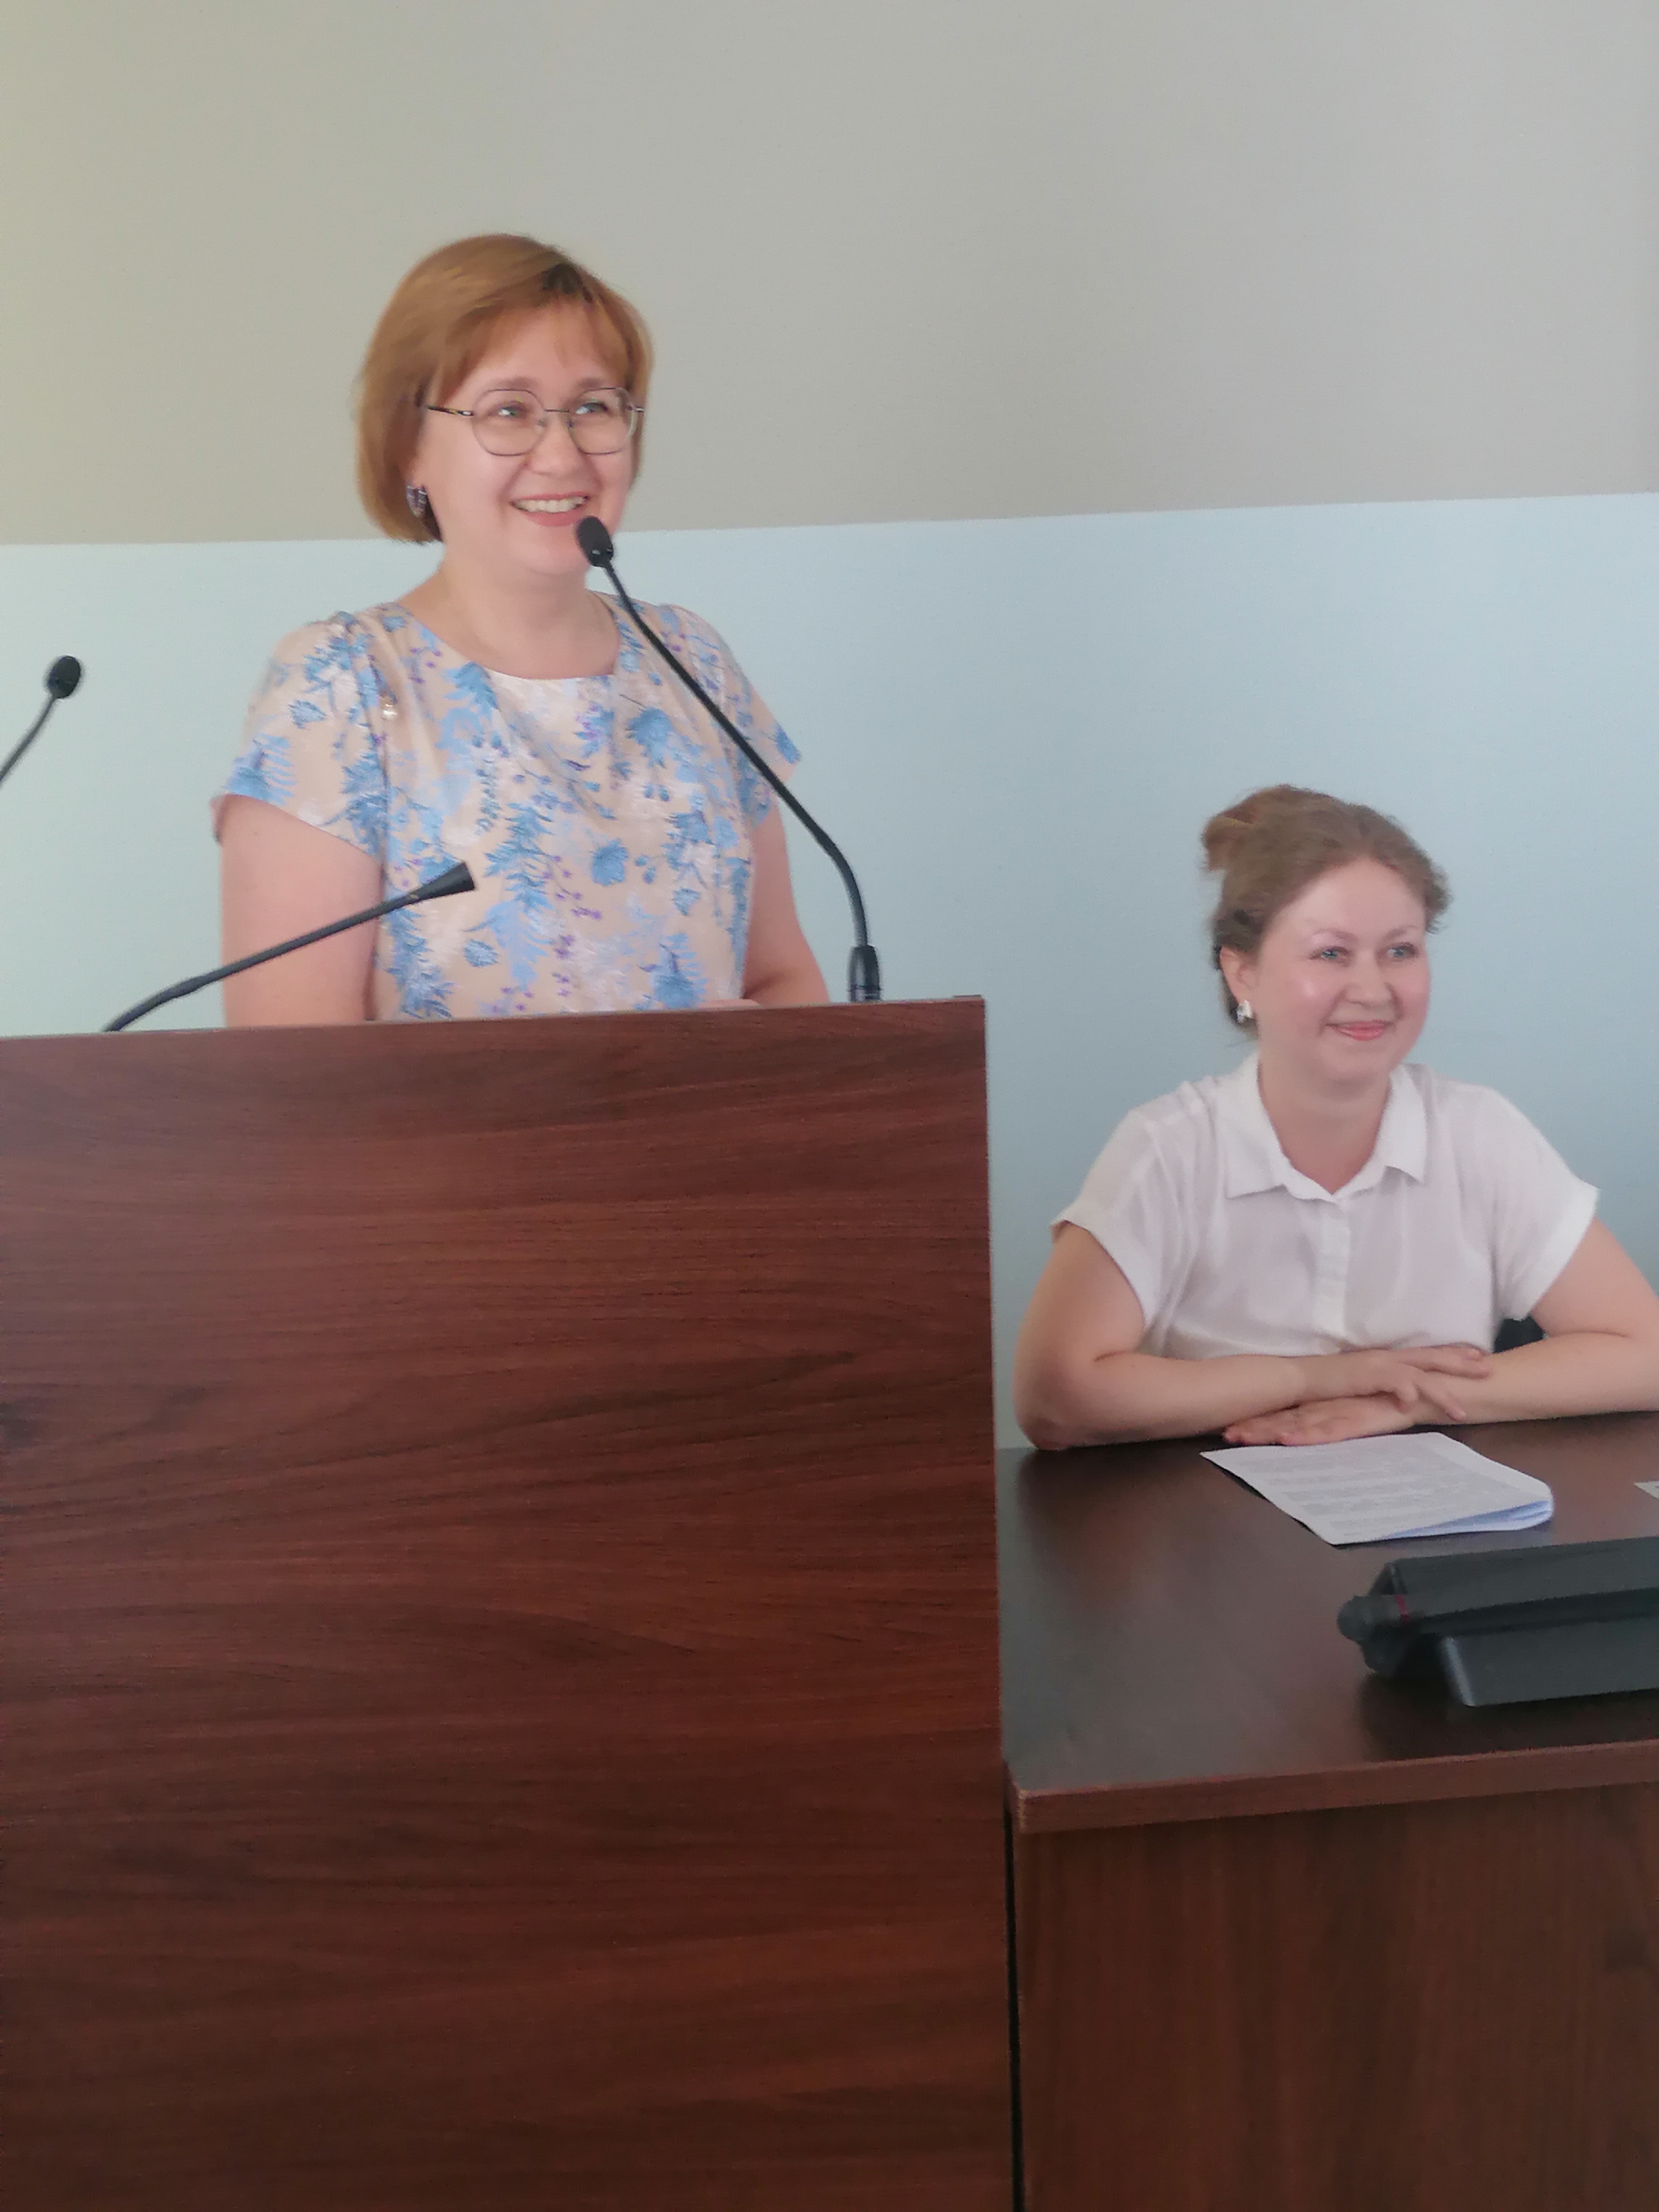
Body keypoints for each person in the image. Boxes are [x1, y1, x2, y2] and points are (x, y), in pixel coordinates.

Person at [216, 234, 826, 1022]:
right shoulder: (338, 688)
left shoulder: (694, 662)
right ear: (409, 449)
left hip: (714, 1115)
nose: (562, 454)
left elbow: (783, 978)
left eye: (594, 407)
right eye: (509, 411)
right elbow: (292, 1067)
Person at [1014, 785, 1659, 1448]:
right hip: (1204, 1504)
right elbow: (1054, 1398)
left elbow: (1646, 1356)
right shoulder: (1168, 1149)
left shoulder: (1479, 1133)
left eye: (1400, 950)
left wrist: (1406, 1399)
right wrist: (1315, 1379)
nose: (1373, 989)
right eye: (1331, 953)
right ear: (1242, 973)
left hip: (1428, 1503)